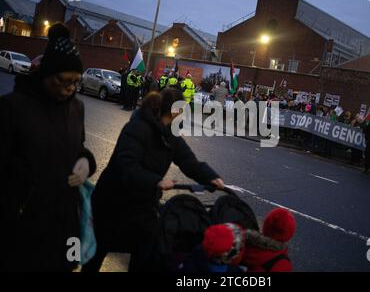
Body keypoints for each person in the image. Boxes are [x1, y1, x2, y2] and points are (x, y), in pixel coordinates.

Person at [82, 88, 225, 272]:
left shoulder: (170, 135)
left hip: (143, 204)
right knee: (98, 251)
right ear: (175, 111)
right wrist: (156, 181)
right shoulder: (137, 127)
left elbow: (189, 162)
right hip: (113, 202)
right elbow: (126, 165)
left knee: (146, 248)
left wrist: (211, 177)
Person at [0, 23, 97, 272]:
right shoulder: (12, 108)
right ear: (47, 74)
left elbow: (79, 147)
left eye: (76, 82)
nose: (70, 88)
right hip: (22, 224)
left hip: (64, 222)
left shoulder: (77, 108)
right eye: (64, 81)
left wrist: (86, 162)